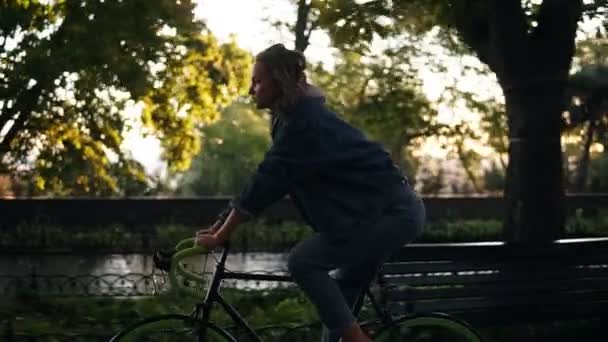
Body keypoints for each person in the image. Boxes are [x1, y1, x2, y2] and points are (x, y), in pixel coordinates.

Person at [195, 43, 425, 342]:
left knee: (303, 262)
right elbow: (264, 179)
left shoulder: (304, 123)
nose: (252, 90)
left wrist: (221, 234)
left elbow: (267, 182)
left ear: (280, 82)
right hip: (371, 215)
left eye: (258, 81)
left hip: (389, 215)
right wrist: (217, 227)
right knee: (338, 313)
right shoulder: (294, 118)